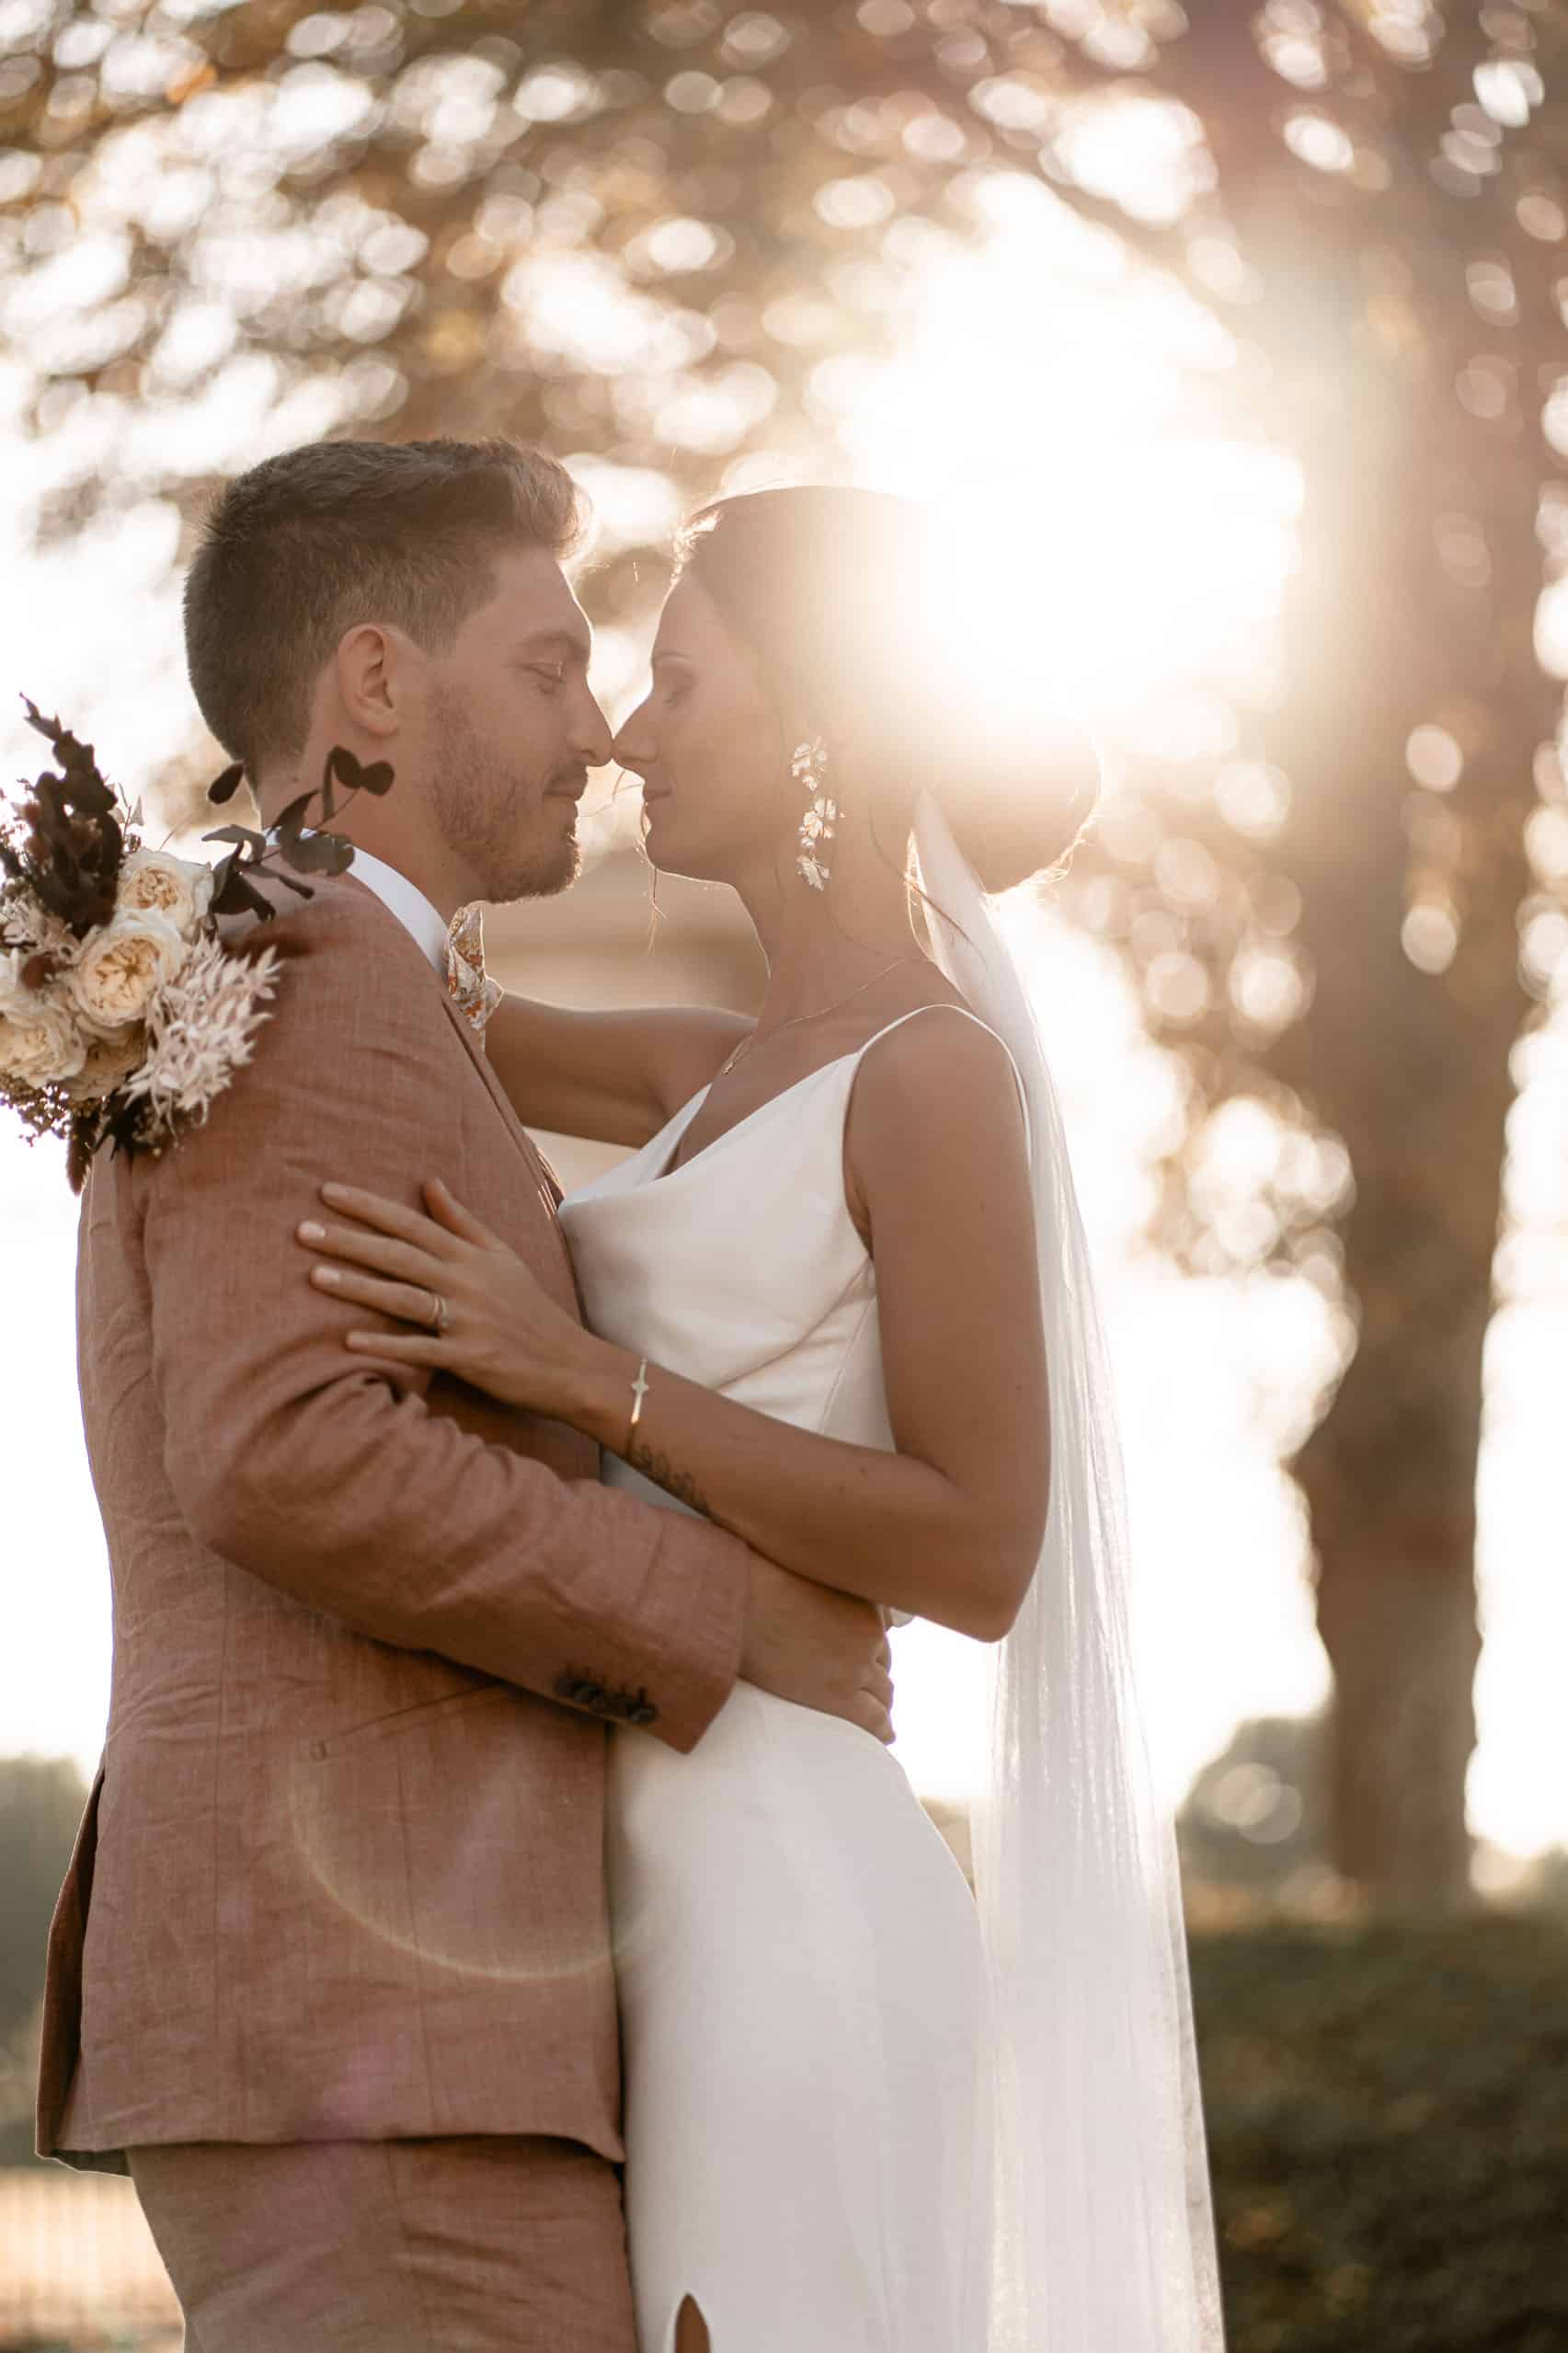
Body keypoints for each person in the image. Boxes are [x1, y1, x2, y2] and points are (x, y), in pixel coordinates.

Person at [299, 486, 1227, 2351]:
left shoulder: (931, 1076)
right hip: (636, 1882)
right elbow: (377, 964)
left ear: (820, 724)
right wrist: (134, 909)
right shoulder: (701, 1067)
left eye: (676, 683)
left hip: (789, 1898)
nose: (624, 737)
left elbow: (978, 1548)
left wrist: (585, 1377)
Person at [36, 442, 896, 2353]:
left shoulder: (304, 958)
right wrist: (731, 1617)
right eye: (547, 664)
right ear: (375, 683)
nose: (596, 729)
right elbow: (288, 1455)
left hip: (383, 2025)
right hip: (376, 2037)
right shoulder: (302, 963)